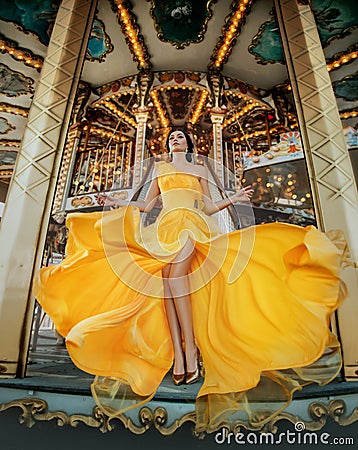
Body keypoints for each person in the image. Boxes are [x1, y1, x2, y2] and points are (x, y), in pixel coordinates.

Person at [34, 128, 345, 432]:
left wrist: (233, 198)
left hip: (193, 226)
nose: (175, 139)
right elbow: (147, 204)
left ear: (189, 143)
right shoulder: (159, 168)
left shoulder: (199, 168)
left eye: (180, 137)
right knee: (168, 282)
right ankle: (182, 355)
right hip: (165, 228)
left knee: (176, 276)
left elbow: (208, 205)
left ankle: (191, 354)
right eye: (172, 137)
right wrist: (119, 201)